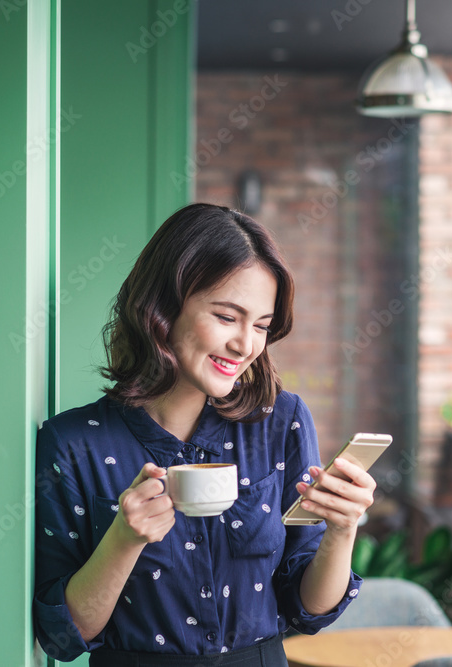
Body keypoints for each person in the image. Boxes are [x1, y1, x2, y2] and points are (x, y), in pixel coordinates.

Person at [32, 203, 377, 665]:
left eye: (261, 325)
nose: (246, 345)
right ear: (162, 308)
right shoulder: (73, 443)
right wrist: (123, 539)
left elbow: (308, 608)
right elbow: (64, 637)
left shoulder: (282, 419)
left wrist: (341, 529)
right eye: (226, 316)